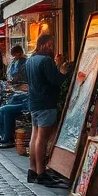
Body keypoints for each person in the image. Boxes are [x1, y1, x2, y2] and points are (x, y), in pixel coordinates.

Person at [25, 33, 66, 186]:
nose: (52, 47)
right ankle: (41, 172)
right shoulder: (46, 61)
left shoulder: (30, 60)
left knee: (35, 137)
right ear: (44, 44)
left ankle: (33, 170)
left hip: (34, 103)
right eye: (50, 44)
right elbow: (57, 80)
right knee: (42, 139)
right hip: (46, 103)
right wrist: (61, 67)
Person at [0, 45, 29, 148]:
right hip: (18, 94)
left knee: (5, 109)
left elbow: (20, 78)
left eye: (15, 55)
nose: (14, 58)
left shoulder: (25, 63)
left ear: (19, 53)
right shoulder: (15, 63)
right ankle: (4, 136)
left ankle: (7, 138)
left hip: (25, 99)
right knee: (2, 109)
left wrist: (20, 84)